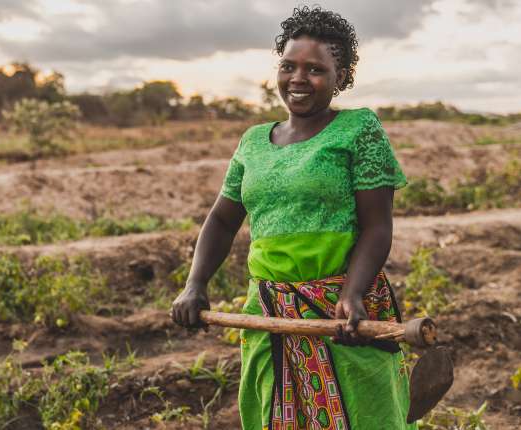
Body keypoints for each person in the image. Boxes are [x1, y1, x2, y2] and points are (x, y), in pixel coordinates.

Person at [171, 6, 414, 429]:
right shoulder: (253, 141)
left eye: (315, 69)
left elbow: (377, 225)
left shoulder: (359, 130)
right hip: (269, 311)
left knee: (364, 414)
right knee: (273, 415)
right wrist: (195, 284)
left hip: (340, 310)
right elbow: (223, 220)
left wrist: (352, 295)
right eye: (288, 66)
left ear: (342, 77)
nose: (298, 79)